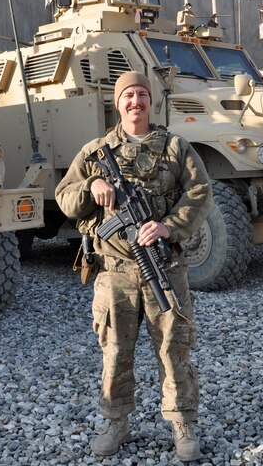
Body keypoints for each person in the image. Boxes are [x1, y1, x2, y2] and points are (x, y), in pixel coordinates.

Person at [55, 71, 212, 461]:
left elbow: (199, 192)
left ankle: (182, 423)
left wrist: (167, 226)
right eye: (128, 96)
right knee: (115, 351)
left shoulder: (175, 147)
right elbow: (64, 197)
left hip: (164, 265)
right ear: (117, 102)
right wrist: (91, 187)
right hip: (114, 273)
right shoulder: (95, 151)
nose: (135, 102)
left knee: (174, 349)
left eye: (142, 94)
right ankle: (116, 422)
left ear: (150, 101)